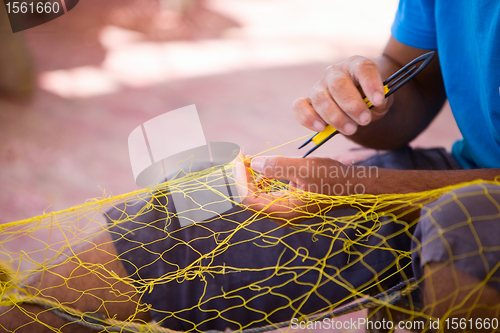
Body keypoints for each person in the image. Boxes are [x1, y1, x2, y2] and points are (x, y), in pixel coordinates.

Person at [1, 1, 500, 332]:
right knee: (196, 212)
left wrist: (359, 184)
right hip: (463, 167)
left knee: (465, 226)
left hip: (475, 198)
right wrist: (362, 98)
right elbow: (413, 74)